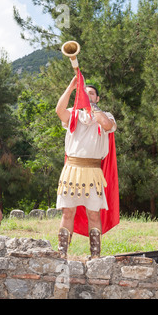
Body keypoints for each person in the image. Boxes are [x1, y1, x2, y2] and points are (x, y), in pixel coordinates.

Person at [55, 75, 118, 259]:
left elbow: (106, 125)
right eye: (86, 93)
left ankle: (95, 256)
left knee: (93, 213)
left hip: (93, 171)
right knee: (68, 212)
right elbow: (59, 110)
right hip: (72, 169)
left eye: (92, 93)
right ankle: (62, 254)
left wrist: (91, 105)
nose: (88, 95)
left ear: (97, 98)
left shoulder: (106, 116)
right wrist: (71, 87)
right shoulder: (74, 114)